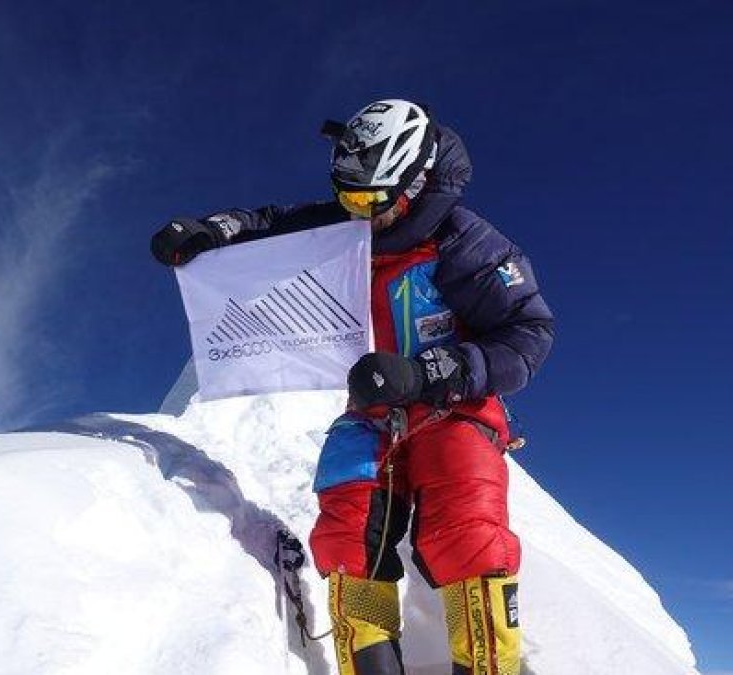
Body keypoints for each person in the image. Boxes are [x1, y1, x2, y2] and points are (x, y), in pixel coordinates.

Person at [150, 99, 554, 675]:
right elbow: (272, 226)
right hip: (372, 409)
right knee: (348, 528)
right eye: (347, 197)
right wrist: (211, 232)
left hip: (452, 405)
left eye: (367, 200)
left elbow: (528, 334)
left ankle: (488, 665)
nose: (355, 213)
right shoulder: (346, 227)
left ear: (414, 182)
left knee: (466, 525)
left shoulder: (467, 244)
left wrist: (431, 371)